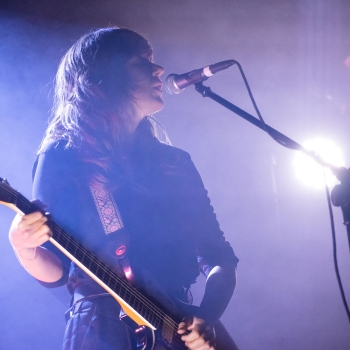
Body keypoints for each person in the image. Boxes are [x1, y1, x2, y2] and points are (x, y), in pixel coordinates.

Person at [9, 27, 239, 350]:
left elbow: (220, 258)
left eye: (153, 60)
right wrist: (22, 246)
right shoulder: (63, 156)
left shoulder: (175, 163)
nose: (158, 69)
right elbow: (58, 271)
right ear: (105, 76)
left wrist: (207, 318)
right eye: (141, 62)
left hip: (177, 326)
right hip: (101, 328)